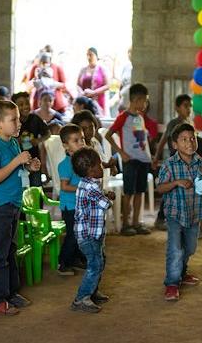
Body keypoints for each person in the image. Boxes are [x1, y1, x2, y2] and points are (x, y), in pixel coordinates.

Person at [0, 100, 41, 316]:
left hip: (12, 205)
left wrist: (29, 165)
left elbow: (17, 166)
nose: (19, 123)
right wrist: (18, 161)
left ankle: (11, 293)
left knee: (10, 251)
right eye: (14, 119)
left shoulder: (13, 142)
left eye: (18, 118)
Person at [158, 123, 202, 301]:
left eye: (192, 139)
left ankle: (182, 273)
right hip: (175, 214)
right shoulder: (169, 165)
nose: (190, 143)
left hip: (194, 214)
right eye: (184, 139)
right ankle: (172, 283)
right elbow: (160, 188)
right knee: (175, 248)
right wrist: (176, 182)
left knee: (190, 248)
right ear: (175, 145)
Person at [70, 147, 114, 313]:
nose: (102, 167)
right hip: (88, 235)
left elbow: (97, 196)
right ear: (90, 170)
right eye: (99, 166)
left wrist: (104, 194)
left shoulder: (88, 183)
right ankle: (81, 298)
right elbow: (104, 204)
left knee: (99, 261)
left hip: (93, 233)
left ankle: (92, 291)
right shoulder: (91, 187)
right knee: (95, 265)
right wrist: (108, 198)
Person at [105, 83, 152, 236]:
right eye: (144, 101)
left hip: (143, 160)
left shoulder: (139, 116)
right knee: (129, 192)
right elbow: (108, 135)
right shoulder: (123, 117)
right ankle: (126, 224)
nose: (145, 104)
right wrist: (121, 153)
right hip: (130, 160)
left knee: (139, 192)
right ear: (136, 99)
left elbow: (137, 136)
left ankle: (136, 223)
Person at [152, 94, 192, 230]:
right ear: (177, 108)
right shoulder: (174, 124)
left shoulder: (189, 124)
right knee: (171, 190)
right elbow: (163, 140)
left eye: (190, 106)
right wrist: (156, 157)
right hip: (175, 163)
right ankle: (160, 219)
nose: (189, 109)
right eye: (185, 106)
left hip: (187, 162)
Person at [56, 124, 85, 276]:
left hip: (80, 205)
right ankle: (63, 263)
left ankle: (75, 259)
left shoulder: (81, 162)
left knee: (80, 234)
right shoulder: (65, 164)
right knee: (73, 235)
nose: (81, 143)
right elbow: (65, 186)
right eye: (76, 140)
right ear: (65, 145)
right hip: (70, 206)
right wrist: (84, 187)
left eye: (82, 139)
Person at [13, 92, 48, 187]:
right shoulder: (13, 121)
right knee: (21, 188)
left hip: (34, 159)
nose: (25, 106)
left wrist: (38, 141)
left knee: (36, 187)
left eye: (27, 103)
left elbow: (47, 133)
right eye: (20, 104)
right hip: (17, 162)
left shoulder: (35, 119)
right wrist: (17, 141)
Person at [77, 47, 110, 116]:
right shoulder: (83, 69)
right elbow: (78, 85)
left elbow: (107, 85)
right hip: (85, 101)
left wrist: (94, 92)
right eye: (87, 55)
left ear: (96, 56)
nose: (89, 57)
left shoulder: (102, 69)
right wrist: (82, 93)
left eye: (91, 55)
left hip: (98, 101)